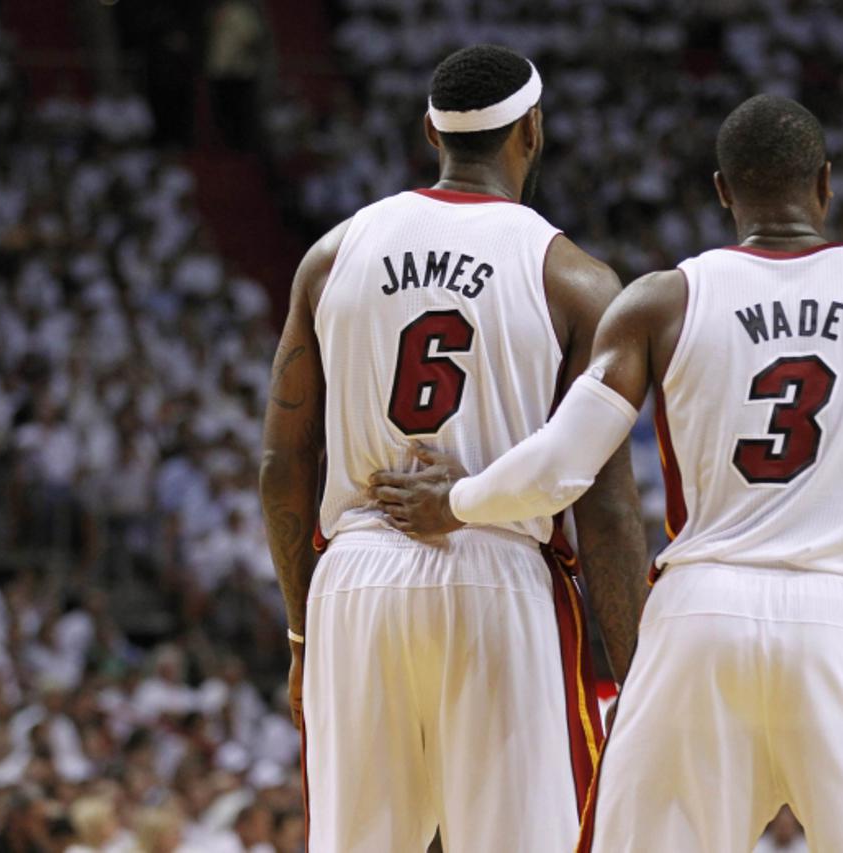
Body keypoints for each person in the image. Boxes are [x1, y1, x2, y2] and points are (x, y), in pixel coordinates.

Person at [370, 94, 843, 852]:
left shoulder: (660, 301)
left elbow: (561, 462)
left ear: (721, 189)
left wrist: (454, 499)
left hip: (696, 617)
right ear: (825, 184)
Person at [259, 43, 647, 852]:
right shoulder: (574, 278)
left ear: (429, 133)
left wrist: (300, 636)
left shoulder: (330, 258)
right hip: (495, 569)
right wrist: (641, 669)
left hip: (355, 571)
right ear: (531, 131)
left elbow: (282, 467)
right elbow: (604, 507)